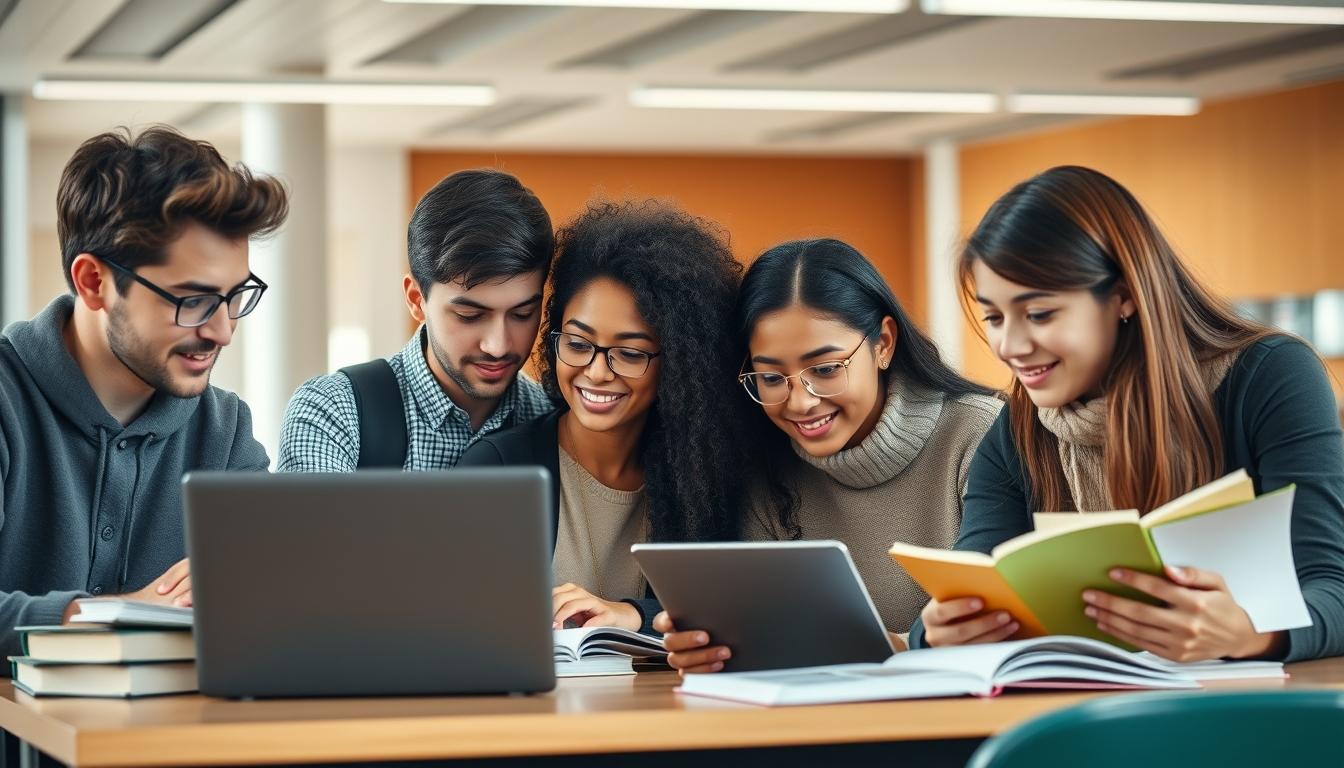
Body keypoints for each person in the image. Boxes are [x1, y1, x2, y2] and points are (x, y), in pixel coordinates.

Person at [913, 165, 1344, 662]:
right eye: (993, 317)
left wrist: (1254, 634)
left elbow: (1331, 586)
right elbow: (965, 589)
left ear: (1123, 296)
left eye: (1039, 314)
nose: (1009, 346)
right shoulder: (1017, 429)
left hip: (1251, 712)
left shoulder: (1270, 376)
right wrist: (939, 630)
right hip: (1087, 716)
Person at [0, 126, 287, 660]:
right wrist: (115, 618)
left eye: (235, 296)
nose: (223, 331)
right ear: (93, 282)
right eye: (194, 301)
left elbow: (274, 590)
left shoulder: (224, 430)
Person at [655, 238, 1002, 672]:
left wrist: (891, 648)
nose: (800, 403)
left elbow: (992, 625)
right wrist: (716, 646)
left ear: (884, 344)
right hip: (811, 721)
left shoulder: (979, 434)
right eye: (771, 376)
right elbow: (773, 636)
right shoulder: (762, 462)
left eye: (824, 369)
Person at [459, 200, 747, 635]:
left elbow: (731, 608)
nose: (596, 371)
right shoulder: (498, 468)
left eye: (629, 353)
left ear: (681, 365)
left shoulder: (703, 477)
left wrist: (634, 614)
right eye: (577, 344)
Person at [278, 169, 554, 471]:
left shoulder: (557, 421)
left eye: (522, 314)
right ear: (415, 299)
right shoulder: (333, 412)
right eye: (469, 316)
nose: (498, 346)